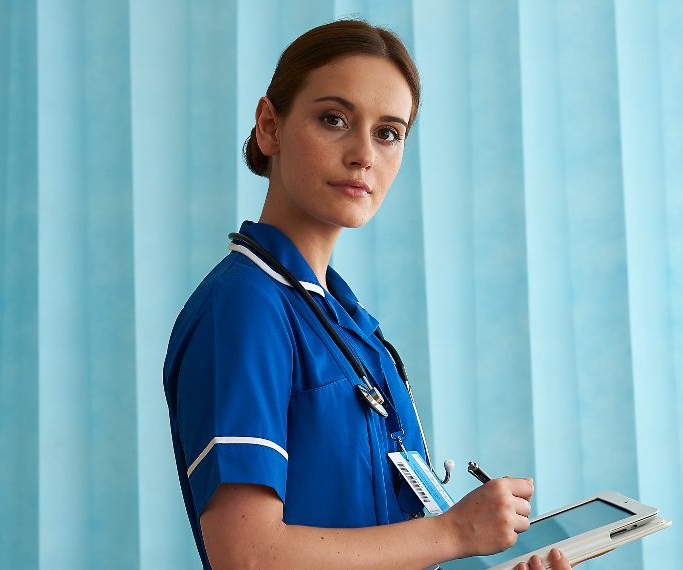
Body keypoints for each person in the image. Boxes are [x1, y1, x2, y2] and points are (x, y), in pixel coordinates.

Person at [163, 20, 583, 570]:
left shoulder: (350, 327)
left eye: (388, 132)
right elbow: (248, 557)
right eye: (334, 119)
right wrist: (455, 532)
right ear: (270, 126)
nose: (364, 153)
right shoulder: (245, 307)